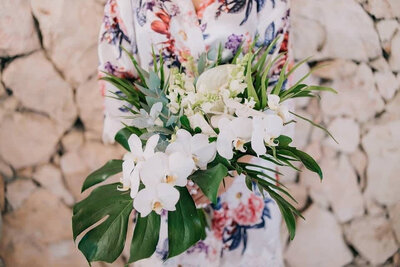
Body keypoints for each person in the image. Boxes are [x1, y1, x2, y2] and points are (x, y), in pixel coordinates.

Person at [98, 1, 291, 266]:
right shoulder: (126, 4)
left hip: (244, 178)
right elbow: (116, 87)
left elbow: (275, 87)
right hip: (165, 186)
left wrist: (231, 168)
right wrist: (166, 165)